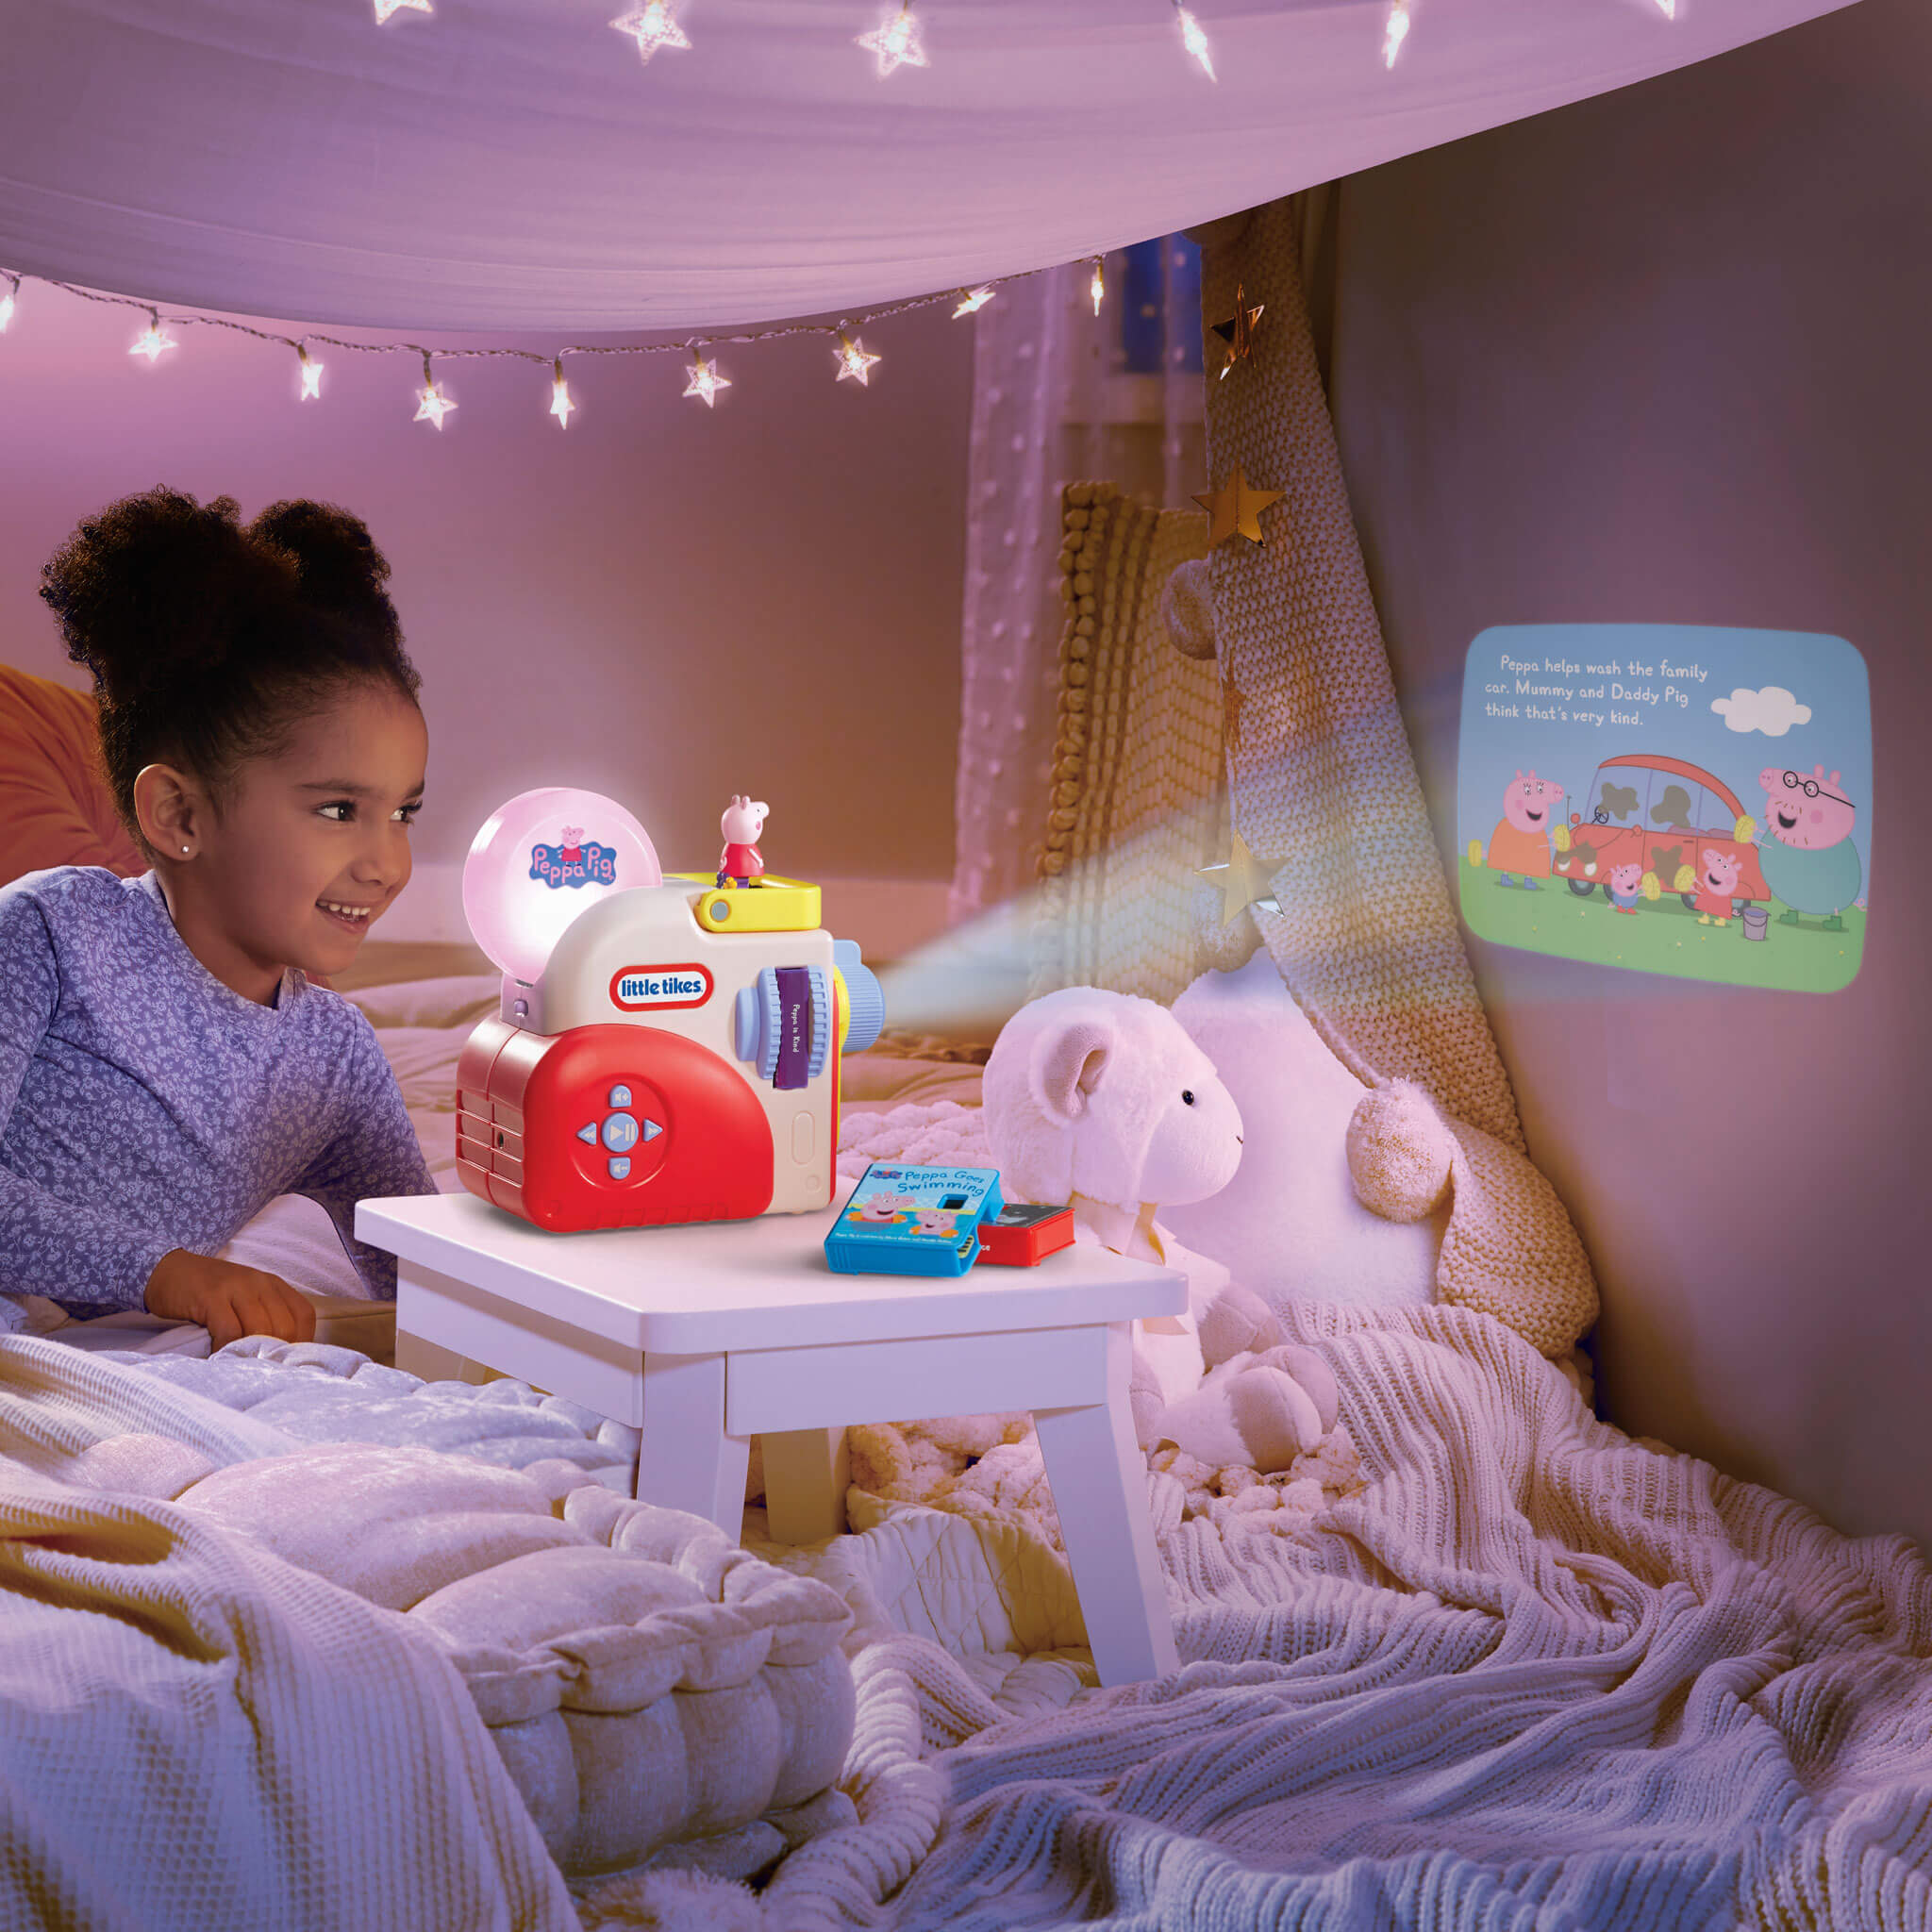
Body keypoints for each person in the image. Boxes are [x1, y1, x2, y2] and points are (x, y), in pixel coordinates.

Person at [0, 487, 437, 1349]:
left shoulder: (335, 1060)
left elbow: (420, 1265)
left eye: (405, 813)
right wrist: (165, 1270)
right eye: (340, 810)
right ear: (180, 817)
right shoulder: (50, 933)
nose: (388, 863)